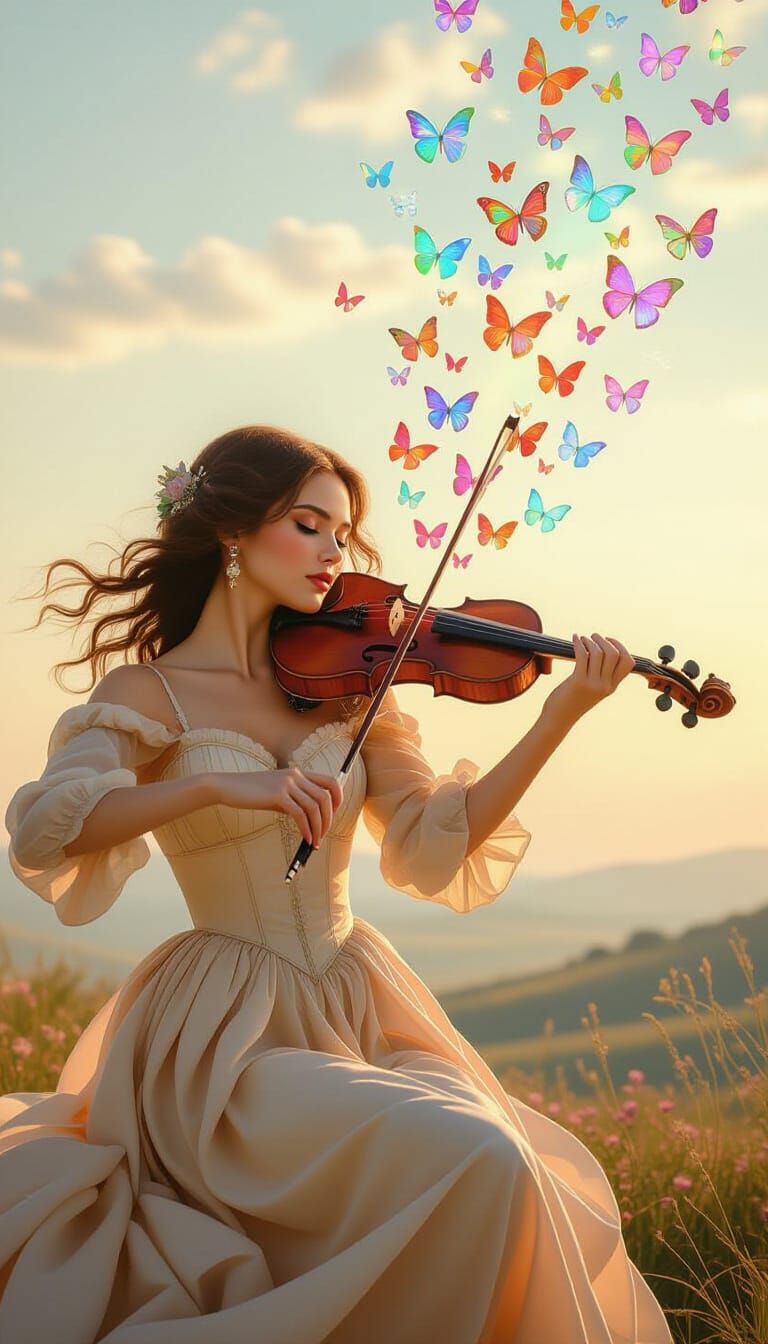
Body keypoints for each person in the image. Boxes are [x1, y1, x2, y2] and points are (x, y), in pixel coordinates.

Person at [0, 424, 672, 1343]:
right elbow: (51, 825)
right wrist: (211, 783)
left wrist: (559, 714)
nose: (334, 554)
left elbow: (434, 848)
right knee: (474, 1155)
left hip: (359, 1001)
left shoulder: (357, 687)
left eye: (342, 535)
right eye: (310, 525)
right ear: (234, 531)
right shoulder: (147, 696)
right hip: (222, 1035)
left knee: (507, 1163)